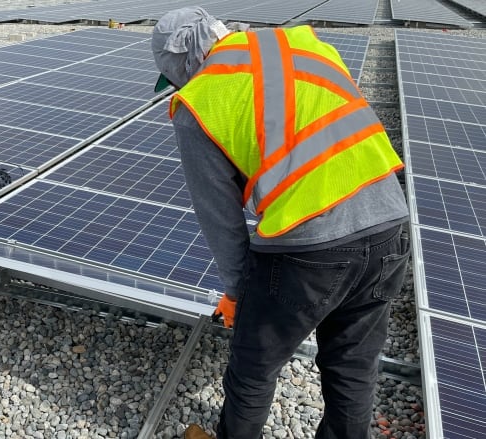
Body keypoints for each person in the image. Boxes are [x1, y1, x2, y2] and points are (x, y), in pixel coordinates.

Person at [151, 7, 410, 439]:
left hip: (309, 248)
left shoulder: (198, 103)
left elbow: (220, 219)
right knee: (352, 365)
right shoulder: (304, 44)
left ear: (185, 65)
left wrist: (238, 293)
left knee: (253, 366)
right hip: (388, 223)